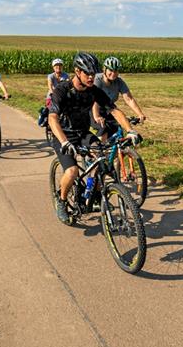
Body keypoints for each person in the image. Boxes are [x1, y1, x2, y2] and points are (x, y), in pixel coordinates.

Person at [48, 52, 141, 224]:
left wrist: (130, 130)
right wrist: (64, 142)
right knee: (72, 171)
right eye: (87, 73)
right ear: (77, 71)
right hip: (63, 135)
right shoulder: (62, 90)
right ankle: (61, 200)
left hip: (83, 133)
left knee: (102, 161)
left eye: (93, 73)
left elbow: (114, 110)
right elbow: (52, 118)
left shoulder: (93, 91)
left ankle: (95, 194)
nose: (91, 77)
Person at [92, 56, 146, 141]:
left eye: (116, 71)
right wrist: (97, 116)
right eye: (111, 70)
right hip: (92, 108)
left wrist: (140, 114)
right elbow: (94, 100)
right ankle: (98, 152)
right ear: (104, 69)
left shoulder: (119, 81)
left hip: (108, 108)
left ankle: (111, 152)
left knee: (116, 128)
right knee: (103, 129)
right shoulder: (97, 80)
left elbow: (129, 99)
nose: (113, 73)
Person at [37, 58, 69, 127]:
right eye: (56, 66)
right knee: (50, 108)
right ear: (53, 67)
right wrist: (52, 92)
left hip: (62, 95)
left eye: (60, 65)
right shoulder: (50, 76)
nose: (58, 67)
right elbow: (50, 85)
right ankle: (47, 120)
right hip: (52, 95)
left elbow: (68, 84)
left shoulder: (65, 75)